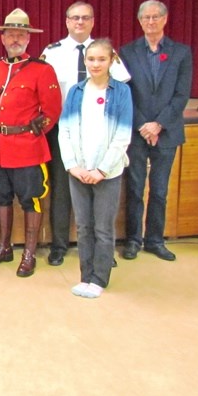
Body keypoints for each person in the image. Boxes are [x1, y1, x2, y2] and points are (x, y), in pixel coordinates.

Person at [41, 1, 130, 266]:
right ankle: (58, 245)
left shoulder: (105, 53)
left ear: (92, 21)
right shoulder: (52, 52)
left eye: (85, 18)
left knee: (101, 195)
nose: (79, 22)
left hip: (101, 134)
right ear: (66, 21)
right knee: (61, 191)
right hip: (64, 132)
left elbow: (122, 86)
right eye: (74, 18)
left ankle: (101, 251)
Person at [0, 8, 62, 277]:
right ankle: (3, 247)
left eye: (21, 34)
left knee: (31, 200)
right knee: (0, 197)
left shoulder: (42, 70)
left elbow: (51, 112)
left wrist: (31, 135)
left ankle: (29, 254)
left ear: (28, 38)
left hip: (28, 149)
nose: (15, 38)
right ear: (2, 38)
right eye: (11, 34)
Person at [58, 39, 133, 299]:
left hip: (107, 174)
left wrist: (101, 170)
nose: (95, 64)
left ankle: (99, 278)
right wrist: (73, 166)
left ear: (111, 60)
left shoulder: (121, 92)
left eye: (101, 59)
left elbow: (122, 136)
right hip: (78, 172)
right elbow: (64, 130)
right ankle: (85, 276)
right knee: (83, 227)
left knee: (103, 228)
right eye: (91, 59)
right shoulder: (76, 92)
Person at [119, 0, 192, 261]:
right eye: (146, 18)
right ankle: (132, 240)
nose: (151, 22)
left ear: (165, 19)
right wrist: (142, 125)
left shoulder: (181, 53)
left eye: (156, 17)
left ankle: (155, 240)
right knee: (135, 189)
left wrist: (158, 124)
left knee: (159, 191)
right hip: (137, 132)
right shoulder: (127, 53)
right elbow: (124, 93)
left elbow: (182, 95)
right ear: (139, 21)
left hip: (167, 131)